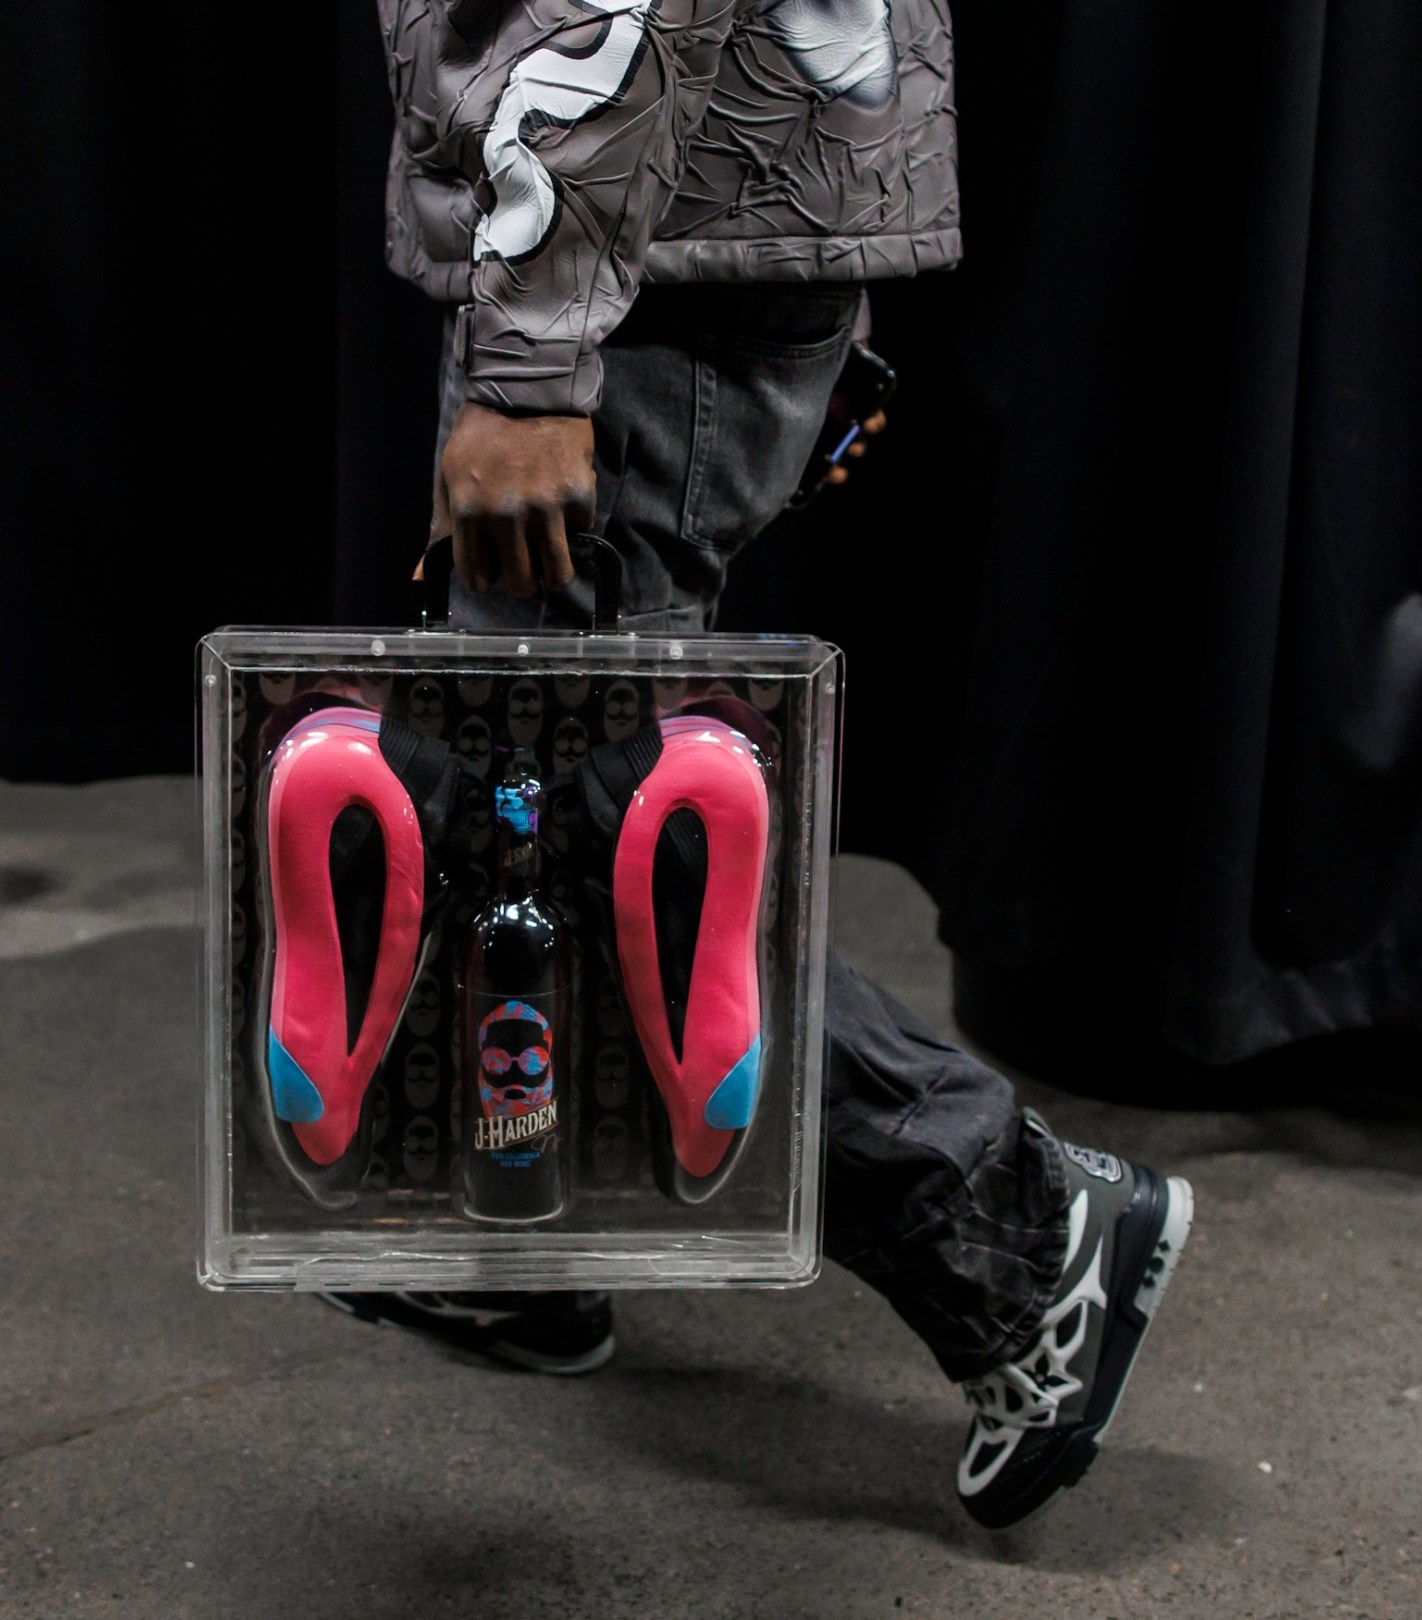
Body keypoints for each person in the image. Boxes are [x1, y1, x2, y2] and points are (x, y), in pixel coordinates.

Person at [321, 0, 1198, 1530]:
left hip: (625, 262)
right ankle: (523, 1243)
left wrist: (530, 356)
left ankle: (1016, 1217)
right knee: (511, 780)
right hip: (648, 227)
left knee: (596, 826)